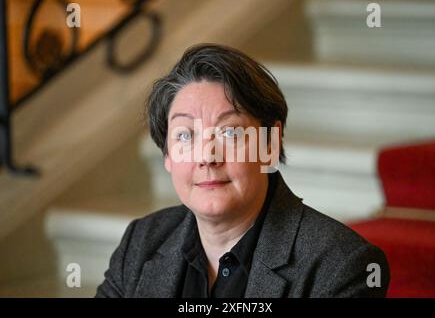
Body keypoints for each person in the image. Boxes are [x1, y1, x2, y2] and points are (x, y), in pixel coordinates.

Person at [96, 44, 390, 298]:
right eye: (186, 135)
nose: (207, 157)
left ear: (270, 145)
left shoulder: (339, 264)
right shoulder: (142, 241)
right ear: (168, 155)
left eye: (230, 133)